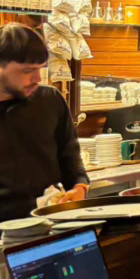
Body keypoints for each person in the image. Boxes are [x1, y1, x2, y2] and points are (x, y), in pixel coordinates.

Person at [0, 23, 88, 221]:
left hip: (50, 225)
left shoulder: (50, 100)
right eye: (27, 70)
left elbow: (71, 159)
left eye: (40, 69)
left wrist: (79, 187)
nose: (37, 78)